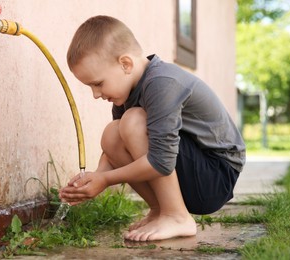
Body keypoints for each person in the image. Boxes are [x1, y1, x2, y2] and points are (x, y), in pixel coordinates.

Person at [59, 15, 246, 242]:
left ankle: (176, 216)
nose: (96, 94)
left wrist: (107, 180)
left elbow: (161, 161)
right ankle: (160, 211)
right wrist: (94, 177)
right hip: (191, 172)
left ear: (125, 64)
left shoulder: (161, 83)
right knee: (112, 134)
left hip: (216, 174)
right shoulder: (129, 90)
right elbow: (115, 148)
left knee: (133, 121)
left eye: (98, 84)